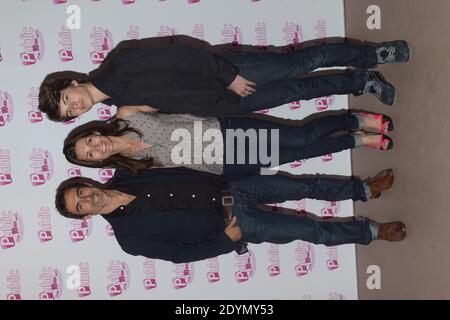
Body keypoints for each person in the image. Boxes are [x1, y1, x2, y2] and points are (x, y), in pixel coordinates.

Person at [55, 167, 404, 263]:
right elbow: (180, 254)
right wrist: (226, 242)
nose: (87, 198)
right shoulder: (129, 240)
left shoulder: (126, 173)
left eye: (81, 192)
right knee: (310, 230)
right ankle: (372, 232)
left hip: (233, 186)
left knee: (305, 184)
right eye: (80, 206)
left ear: (85, 182)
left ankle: (364, 189)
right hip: (234, 225)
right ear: (84, 218)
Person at [38, 35, 411, 122]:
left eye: (67, 99)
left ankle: (373, 53)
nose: (75, 106)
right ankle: (364, 81)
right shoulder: (124, 108)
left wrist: (229, 75)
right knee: (302, 89)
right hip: (229, 103)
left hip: (232, 75)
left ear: (70, 84)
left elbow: (181, 50)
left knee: (303, 62)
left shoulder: (117, 63)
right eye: (68, 112)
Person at [62, 110, 394, 176]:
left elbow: (171, 97)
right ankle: (356, 140)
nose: (97, 147)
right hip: (224, 163)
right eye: (90, 155)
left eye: (89, 141)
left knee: (301, 135)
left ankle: (356, 120)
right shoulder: (132, 168)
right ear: (95, 162)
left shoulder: (127, 115)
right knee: (304, 152)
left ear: (93, 131)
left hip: (226, 133)